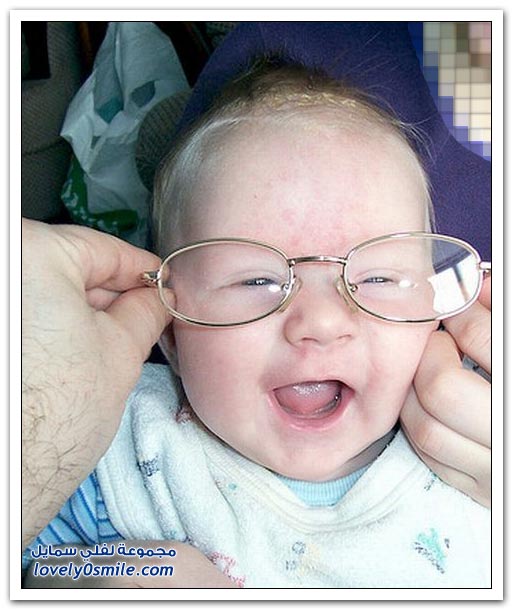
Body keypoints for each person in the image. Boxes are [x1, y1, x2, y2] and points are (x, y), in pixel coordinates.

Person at [22, 57, 491, 589]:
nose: (321, 322)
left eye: (378, 278)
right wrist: (101, 577)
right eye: (256, 281)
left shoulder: (477, 437)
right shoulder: (115, 445)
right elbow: (34, 565)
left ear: (436, 314)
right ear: (168, 331)